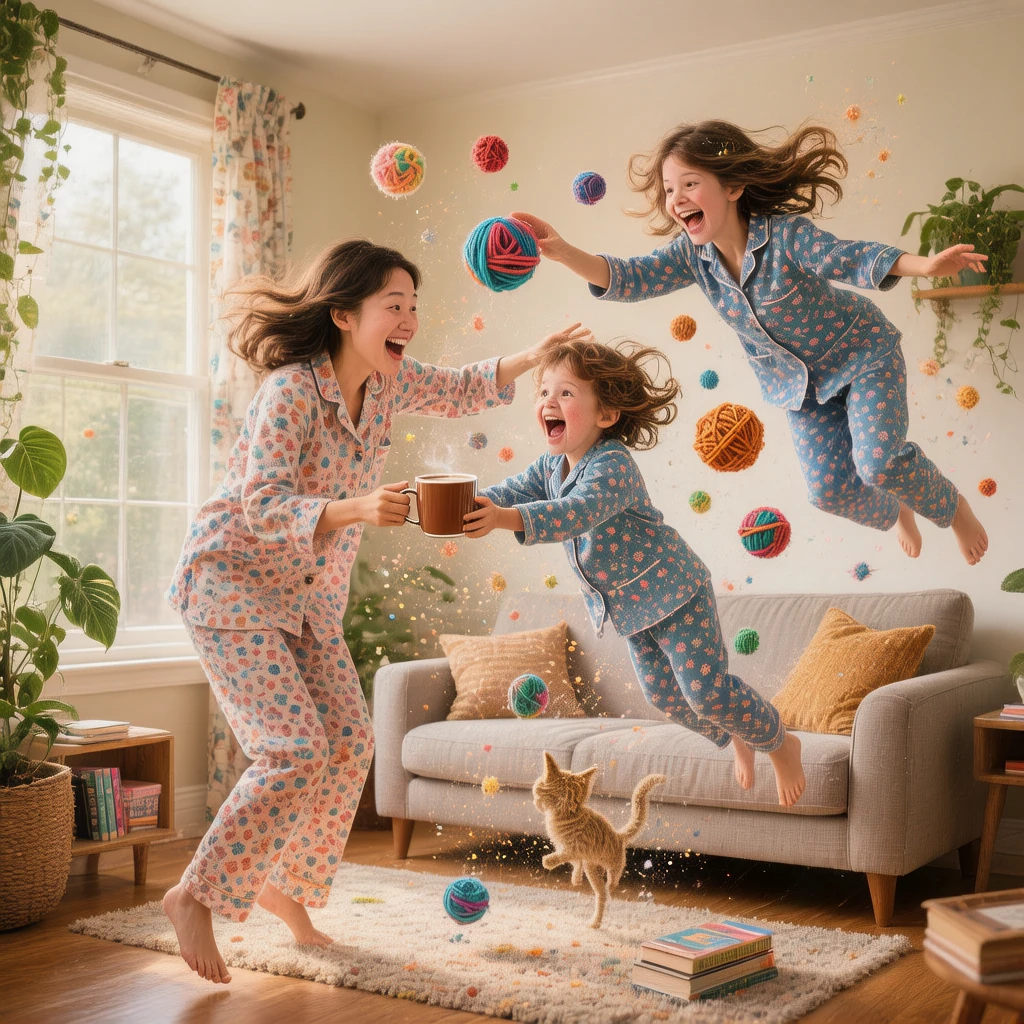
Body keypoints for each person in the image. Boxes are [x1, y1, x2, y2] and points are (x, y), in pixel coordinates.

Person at [162, 238, 589, 984]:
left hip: (306, 598)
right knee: (293, 747)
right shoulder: (292, 393)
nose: (409, 320)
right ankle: (195, 893)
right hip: (231, 585)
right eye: (395, 306)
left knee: (351, 742)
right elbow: (259, 505)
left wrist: (534, 356)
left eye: (414, 306)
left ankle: (285, 890)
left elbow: (459, 387)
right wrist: (358, 507)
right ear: (343, 314)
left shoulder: (389, 384)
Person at [511, 119, 989, 565]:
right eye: (670, 189)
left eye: (690, 184)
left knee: (879, 463)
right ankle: (897, 509)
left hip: (861, 356)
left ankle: (954, 509)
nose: (677, 199)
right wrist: (562, 251)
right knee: (827, 492)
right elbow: (632, 277)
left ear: (733, 187)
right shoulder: (692, 257)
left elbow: (847, 257)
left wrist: (922, 265)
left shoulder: (785, 236)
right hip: (800, 389)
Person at [463, 337, 806, 818]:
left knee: (705, 691)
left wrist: (504, 519)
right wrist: (460, 501)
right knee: (665, 696)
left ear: (604, 415)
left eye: (565, 394)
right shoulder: (551, 465)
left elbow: (575, 512)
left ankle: (778, 742)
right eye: (543, 392)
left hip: (677, 593)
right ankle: (735, 734)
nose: (548, 402)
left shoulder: (613, 465)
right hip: (632, 613)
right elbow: (508, 491)